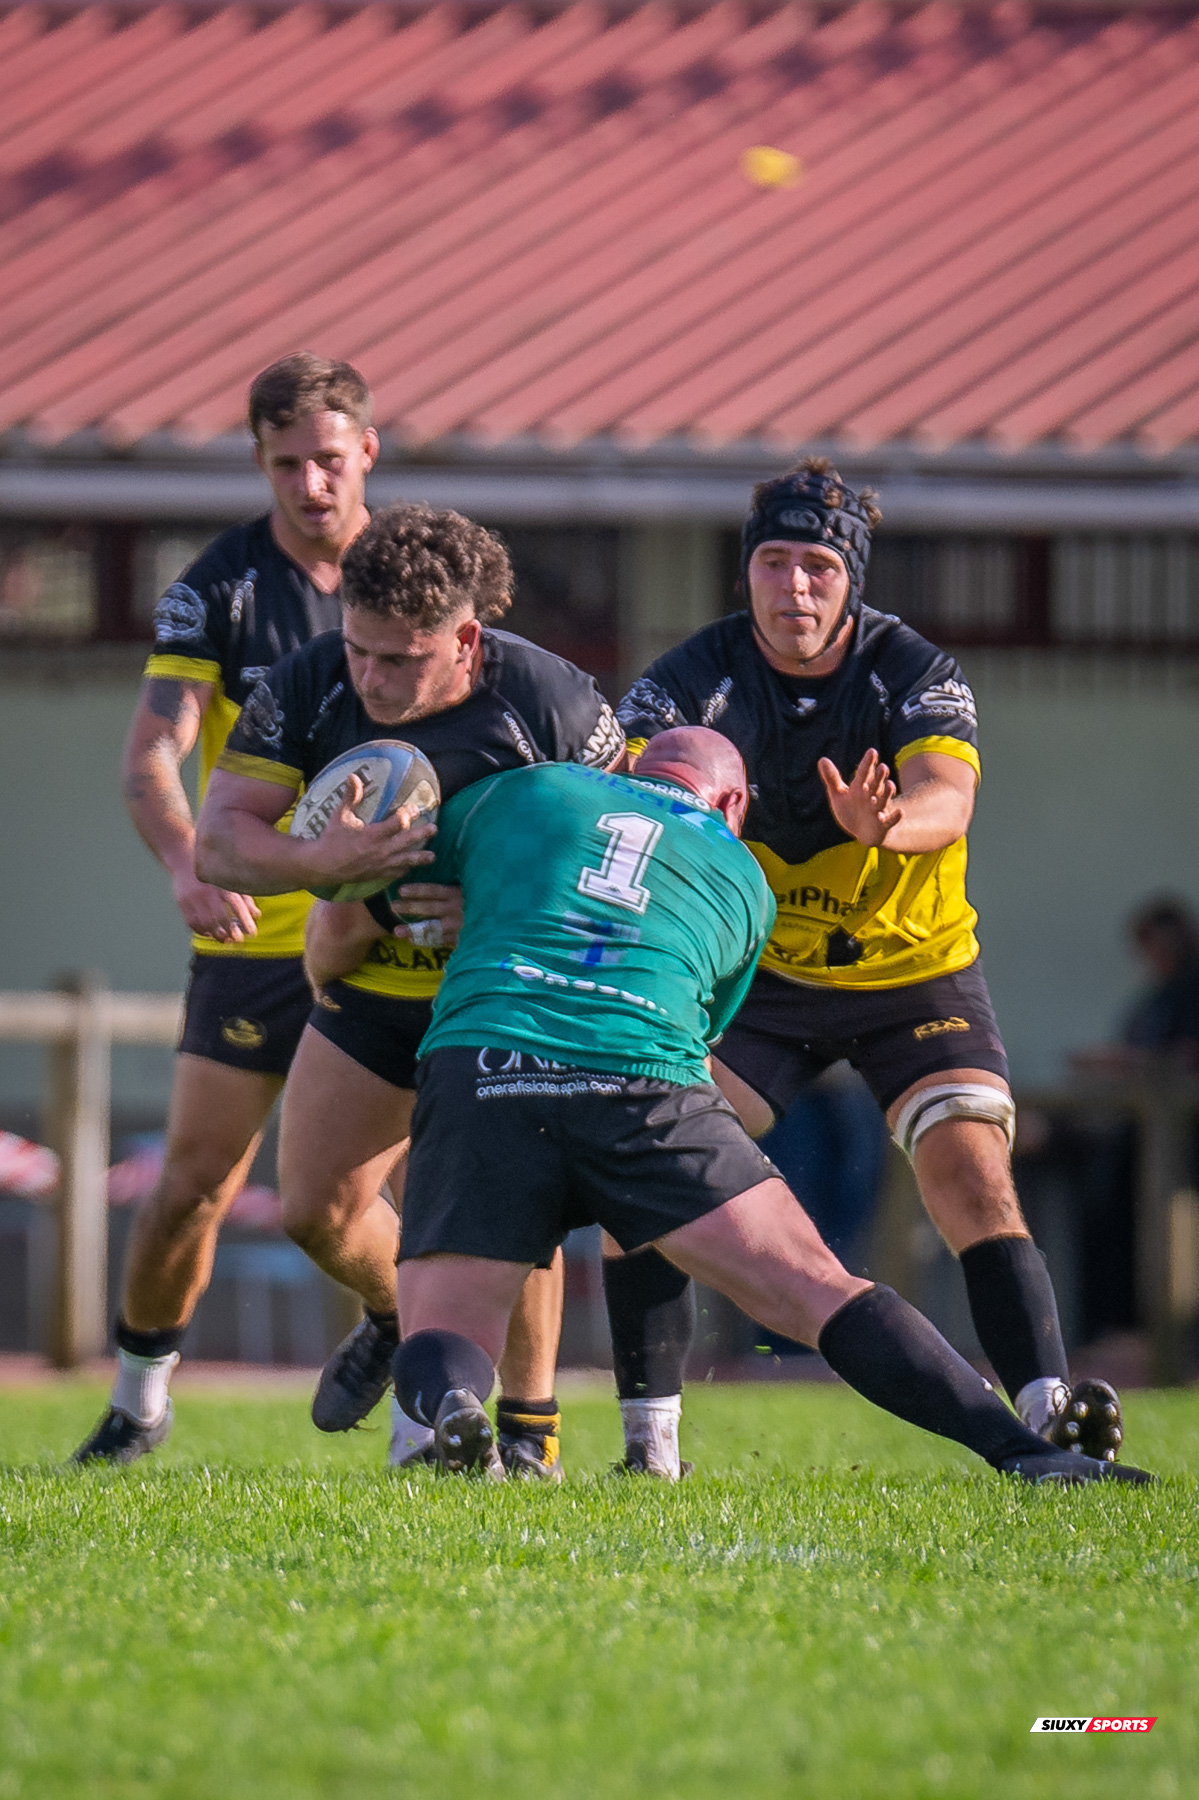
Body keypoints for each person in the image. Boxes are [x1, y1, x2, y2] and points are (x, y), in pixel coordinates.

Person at [386, 728, 1150, 1487]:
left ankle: (454, 1402)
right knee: (816, 1289)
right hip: (641, 1077)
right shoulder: (744, 877)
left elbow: (396, 859)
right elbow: (703, 1025)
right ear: (731, 803)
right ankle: (1028, 1454)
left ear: (632, 766)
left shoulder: (531, 788)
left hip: (486, 1061)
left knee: (445, 1323)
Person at [610, 459, 1125, 1471]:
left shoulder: (912, 670)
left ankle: (1050, 1411)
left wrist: (892, 825)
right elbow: (617, 791)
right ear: (743, 573)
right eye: (772, 563)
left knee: (969, 1172)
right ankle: (647, 1447)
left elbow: (947, 798)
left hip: (908, 971)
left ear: (849, 580)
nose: (792, 587)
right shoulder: (688, 681)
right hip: (757, 980)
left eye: (814, 567)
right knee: (641, 1163)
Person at [194, 502, 625, 1477]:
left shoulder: (549, 702)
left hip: (504, 995)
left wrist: (505, 908)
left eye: (401, 659)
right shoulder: (310, 682)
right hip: (370, 985)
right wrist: (324, 854)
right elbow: (221, 837)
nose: (372, 679)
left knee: (509, 1214)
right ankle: (399, 1315)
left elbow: (629, 847)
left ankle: (528, 1434)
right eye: (360, 651)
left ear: (466, 639)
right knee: (312, 1206)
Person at [73, 354, 378, 1464]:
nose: (310, 483)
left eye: (328, 460)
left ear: (367, 457)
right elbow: (155, 748)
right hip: (257, 940)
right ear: (259, 460)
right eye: (287, 462)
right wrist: (184, 860)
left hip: (396, 945)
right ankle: (136, 1405)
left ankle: (442, 1395)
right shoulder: (220, 588)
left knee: (371, 1203)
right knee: (194, 1183)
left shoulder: (413, 573)